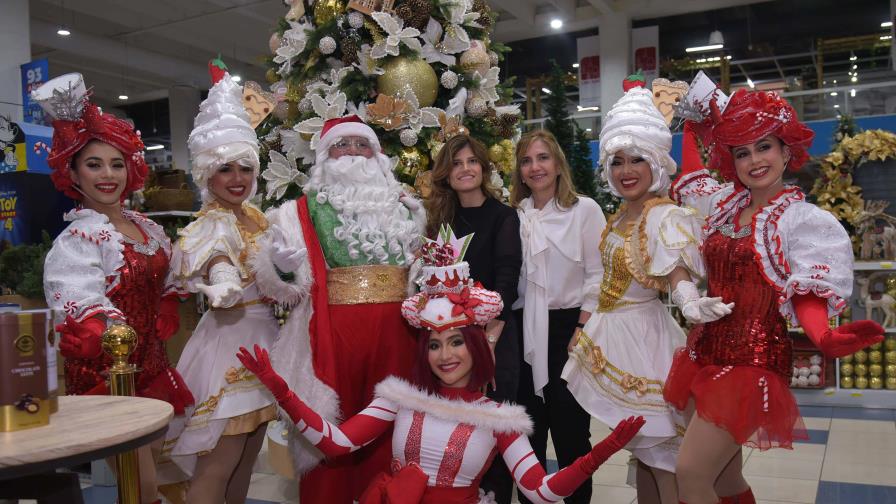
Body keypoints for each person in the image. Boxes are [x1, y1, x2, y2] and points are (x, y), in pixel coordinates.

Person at [238, 225, 646, 502]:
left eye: (456, 342)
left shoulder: (498, 419)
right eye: (434, 345)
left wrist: (602, 451)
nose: (445, 355)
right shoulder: (399, 398)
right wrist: (281, 389)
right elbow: (336, 444)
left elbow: (540, 492)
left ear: (476, 346)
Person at [665, 87, 885, 504]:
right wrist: (695, 126)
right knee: (724, 479)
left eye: (764, 147)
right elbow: (691, 180)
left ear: (787, 152)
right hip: (704, 353)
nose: (754, 161)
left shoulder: (801, 220)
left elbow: (805, 288)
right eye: (742, 152)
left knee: (690, 474)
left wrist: (823, 336)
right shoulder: (724, 204)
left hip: (753, 359)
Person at [561, 78, 732, 504]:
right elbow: (606, 282)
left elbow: (676, 275)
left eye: (636, 159)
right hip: (612, 336)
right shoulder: (619, 217)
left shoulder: (664, 216)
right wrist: (585, 327)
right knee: (646, 455)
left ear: (655, 163)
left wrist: (691, 302)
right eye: (617, 161)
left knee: (663, 457)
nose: (626, 170)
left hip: (645, 342)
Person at [252, 115, 425, 503]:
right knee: (332, 432)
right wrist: (280, 264)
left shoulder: (404, 209)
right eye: (341, 145)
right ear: (325, 157)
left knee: (394, 430)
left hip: (400, 336)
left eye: (361, 145)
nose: (352, 153)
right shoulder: (297, 211)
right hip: (333, 337)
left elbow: (419, 269)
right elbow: (282, 287)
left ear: (377, 156)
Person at [37, 73, 193, 504]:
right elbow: (78, 306)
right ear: (73, 172)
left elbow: (174, 276)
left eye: (116, 163)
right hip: (109, 379)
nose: (108, 175)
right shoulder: (80, 238)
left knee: (157, 481)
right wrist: (111, 327)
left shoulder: (146, 227)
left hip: (154, 368)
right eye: (94, 164)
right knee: (138, 486)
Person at [158, 70, 281, 503]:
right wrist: (222, 280)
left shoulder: (257, 217)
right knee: (218, 465)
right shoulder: (213, 221)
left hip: (265, 346)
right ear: (206, 173)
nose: (236, 177)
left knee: (246, 460)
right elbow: (217, 259)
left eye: (245, 167)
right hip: (231, 348)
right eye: (224, 168)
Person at [510, 130, 606, 503]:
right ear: (519, 170)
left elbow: (598, 275)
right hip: (523, 332)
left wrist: (583, 326)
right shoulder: (515, 215)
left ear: (558, 163)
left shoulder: (584, 210)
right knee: (527, 434)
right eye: (526, 160)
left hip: (570, 329)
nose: (535, 167)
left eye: (543, 158)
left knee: (572, 435)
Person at [426, 134, 522, 503]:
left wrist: (487, 345)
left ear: (483, 167)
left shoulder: (503, 217)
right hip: (447, 346)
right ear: (446, 174)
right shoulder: (440, 220)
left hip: (492, 340)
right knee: (452, 439)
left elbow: (506, 283)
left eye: (471, 162)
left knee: (492, 440)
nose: (465, 170)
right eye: (456, 163)